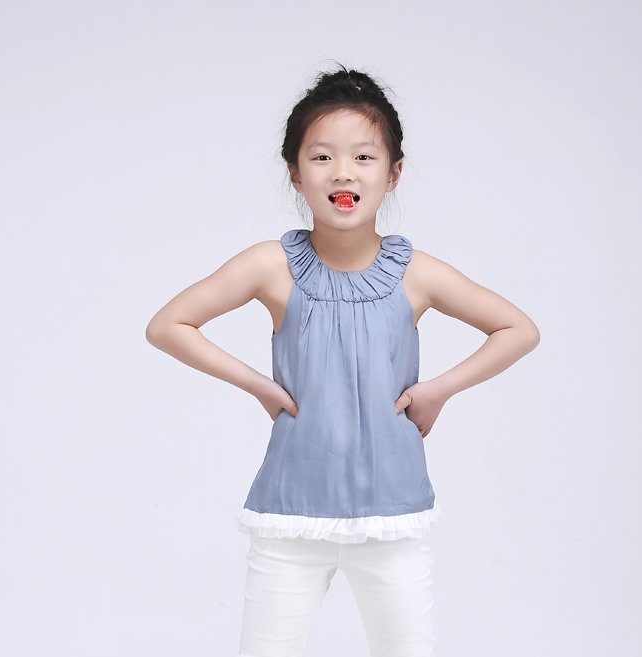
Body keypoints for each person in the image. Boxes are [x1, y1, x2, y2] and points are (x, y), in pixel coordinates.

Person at [146, 67, 539, 657]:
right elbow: (167, 325)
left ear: (393, 172)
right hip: (291, 514)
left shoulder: (415, 273)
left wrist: (439, 389)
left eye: (363, 156)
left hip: (391, 515)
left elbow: (518, 329)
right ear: (295, 173)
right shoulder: (272, 265)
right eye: (322, 157)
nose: (343, 172)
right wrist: (259, 385)